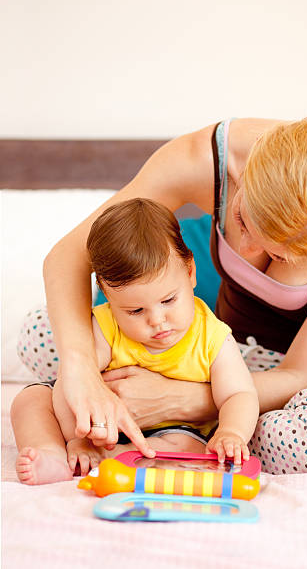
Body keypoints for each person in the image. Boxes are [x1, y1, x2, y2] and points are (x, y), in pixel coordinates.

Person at [12, 116, 307, 476]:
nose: (250, 252)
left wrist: (185, 400)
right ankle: (163, 431)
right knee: (45, 331)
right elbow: (68, 257)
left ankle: (198, 438)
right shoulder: (207, 159)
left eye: (279, 255)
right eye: (241, 222)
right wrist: (81, 370)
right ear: (247, 174)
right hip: (224, 358)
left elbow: (300, 373)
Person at [12, 198, 259, 483]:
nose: (156, 320)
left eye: (168, 300)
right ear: (106, 293)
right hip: (98, 425)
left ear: (191, 272)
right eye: (135, 311)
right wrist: (78, 438)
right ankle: (52, 452)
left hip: (174, 431)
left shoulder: (212, 337)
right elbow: (73, 380)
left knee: (190, 447)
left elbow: (239, 394)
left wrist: (232, 432)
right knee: (30, 400)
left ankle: (115, 457)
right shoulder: (105, 326)